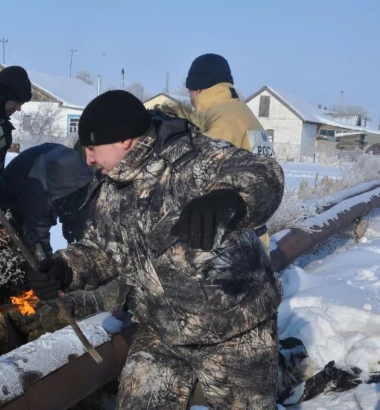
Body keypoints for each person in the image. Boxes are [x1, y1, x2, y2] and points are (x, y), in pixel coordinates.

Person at [25, 90, 285, 409]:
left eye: (93, 148)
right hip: (160, 330)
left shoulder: (192, 157)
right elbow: (105, 249)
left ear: (123, 141)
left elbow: (264, 174)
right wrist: (65, 268)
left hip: (232, 326)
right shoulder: (111, 188)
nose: (88, 158)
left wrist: (230, 201)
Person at [186, 52, 275, 252]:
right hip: (257, 234)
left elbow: (202, 179)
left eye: (189, 91)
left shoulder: (217, 119)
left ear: (197, 88)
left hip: (230, 241)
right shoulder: (244, 112)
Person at [0, 143, 93, 258]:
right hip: (74, 171)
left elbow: (38, 237)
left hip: (57, 176)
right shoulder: (24, 194)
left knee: (84, 235)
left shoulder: (33, 192)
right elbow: (37, 235)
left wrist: (48, 266)